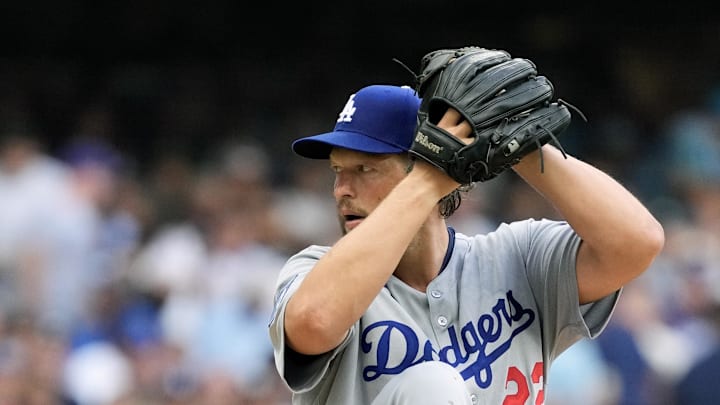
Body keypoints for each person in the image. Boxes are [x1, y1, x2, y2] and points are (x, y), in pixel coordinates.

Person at [268, 83, 665, 404]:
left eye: (365, 168)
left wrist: (518, 146)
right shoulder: (313, 270)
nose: (341, 190)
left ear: (433, 161)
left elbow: (636, 243)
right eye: (337, 170)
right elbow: (314, 323)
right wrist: (426, 183)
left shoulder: (517, 257)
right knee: (431, 386)